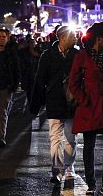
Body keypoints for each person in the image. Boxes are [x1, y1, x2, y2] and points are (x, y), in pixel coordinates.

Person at [68, 22, 103, 196]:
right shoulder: (82, 57)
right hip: (90, 107)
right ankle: (91, 184)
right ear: (98, 39)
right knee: (89, 146)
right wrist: (84, 100)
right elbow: (73, 83)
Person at [30, 25, 78, 184]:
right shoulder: (47, 56)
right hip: (55, 101)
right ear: (63, 38)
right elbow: (39, 80)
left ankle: (69, 166)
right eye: (73, 36)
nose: (76, 38)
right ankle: (56, 170)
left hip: (72, 103)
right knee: (55, 139)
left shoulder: (77, 55)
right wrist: (35, 105)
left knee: (71, 138)